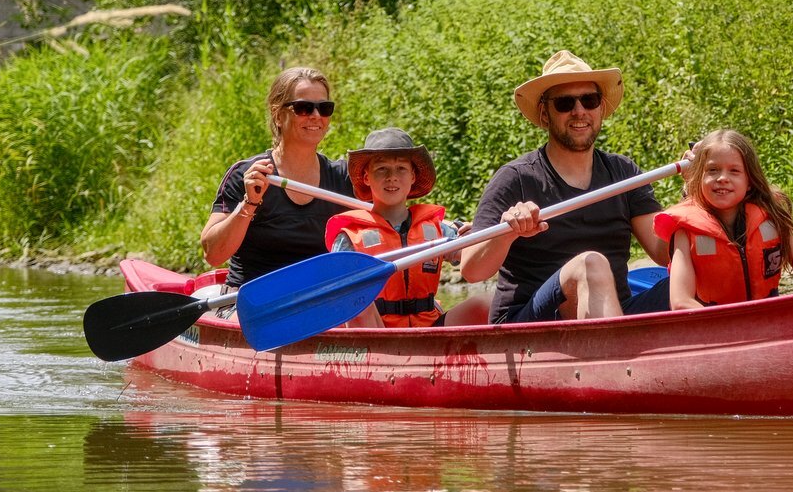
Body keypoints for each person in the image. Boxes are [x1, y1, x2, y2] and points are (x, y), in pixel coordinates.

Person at [459, 50, 674, 324]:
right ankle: (617, 359)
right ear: (545, 114)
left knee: (695, 281)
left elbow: (663, 251)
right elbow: (472, 270)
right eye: (564, 103)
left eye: (589, 100)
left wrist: (699, 201)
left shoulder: (623, 172)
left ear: (600, 108)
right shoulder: (515, 178)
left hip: (613, 312)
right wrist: (507, 233)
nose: (579, 111)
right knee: (589, 264)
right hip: (530, 324)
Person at [201, 66, 354, 292]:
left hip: (318, 302)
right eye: (303, 108)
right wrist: (249, 203)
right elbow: (213, 254)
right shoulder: (248, 174)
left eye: (324, 108)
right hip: (253, 301)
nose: (315, 116)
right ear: (278, 115)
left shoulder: (343, 177)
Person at [325, 127, 490, 327]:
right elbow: (335, 293)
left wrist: (478, 239)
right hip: (377, 334)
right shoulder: (350, 237)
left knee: (485, 303)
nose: (392, 176)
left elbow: (472, 255)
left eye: (401, 168)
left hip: (428, 328)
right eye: (382, 169)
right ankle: (377, 358)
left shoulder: (438, 229)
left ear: (412, 176)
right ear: (367, 177)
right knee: (357, 303)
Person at [653, 129, 793, 310]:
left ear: (750, 181)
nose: (722, 178)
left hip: (769, 320)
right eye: (712, 170)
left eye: (734, 171)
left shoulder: (771, 217)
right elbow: (681, 301)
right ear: (698, 178)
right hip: (717, 328)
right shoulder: (685, 230)